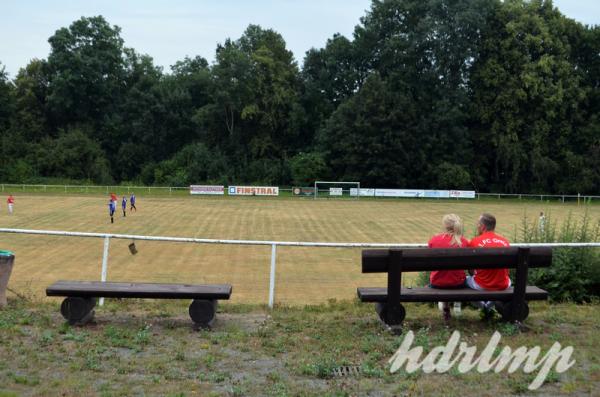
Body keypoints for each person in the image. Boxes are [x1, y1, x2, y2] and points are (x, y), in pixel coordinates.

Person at [466, 213, 511, 315]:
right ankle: (489, 306)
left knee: (464, 281)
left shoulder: (474, 242)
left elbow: (470, 267)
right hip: (503, 284)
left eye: (478, 224)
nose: (477, 226)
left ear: (483, 227)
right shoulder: (505, 242)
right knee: (506, 280)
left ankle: (483, 306)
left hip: (482, 284)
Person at [428, 214, 469, 321]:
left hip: (437, 283)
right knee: (457, 276)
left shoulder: (434, 240)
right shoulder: (464, 242)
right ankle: (455, 305)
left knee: (444, 275)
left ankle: (446, 307)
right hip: (458, 284)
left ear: (445, 225)